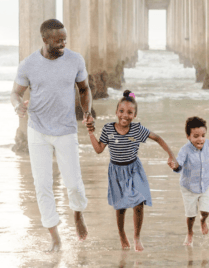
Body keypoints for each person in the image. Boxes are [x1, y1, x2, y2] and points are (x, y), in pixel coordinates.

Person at [11, 18, 95, 252]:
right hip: (37, 130)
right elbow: (15, 93)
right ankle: (54, 235)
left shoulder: (75, 59)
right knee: (42, 185)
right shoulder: (28, 64)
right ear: (45, 39)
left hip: (66, 130)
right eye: (58, 41)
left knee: (74, 183)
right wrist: (18, 106)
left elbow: (84, 88)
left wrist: (87, 112)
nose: (63, 44)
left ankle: (77, 214)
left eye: (65, 39)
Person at [87, 90, 177, 252]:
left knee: (139, 203)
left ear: (135, 115)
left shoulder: (137, 130)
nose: (125, 115)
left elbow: (157, 138)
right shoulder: (108, 129)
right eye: (121, 111)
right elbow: (99, 149)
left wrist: (171, 155)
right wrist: (90, 133)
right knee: (120, 207)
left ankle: (137, 236)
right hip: (116, 172)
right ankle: (122, 234)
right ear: (116, 112)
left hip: (134, 169)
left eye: (129, 112)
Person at [169, 116, 209, 246]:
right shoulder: (184, 150)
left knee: (205, 211)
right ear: (188, 136)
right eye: (196, 136)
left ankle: (203, 221)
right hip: (188, 187)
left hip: (205, 185)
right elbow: (179, 164)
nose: (200, 139)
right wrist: (174, 165)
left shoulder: (208, 144)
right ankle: (190, 232)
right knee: (191, 215)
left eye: (203, 135)